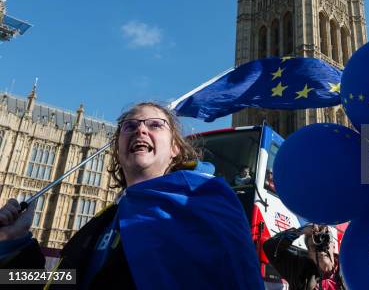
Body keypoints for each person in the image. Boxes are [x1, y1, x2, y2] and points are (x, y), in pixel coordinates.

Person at [0, 102, 263, 289]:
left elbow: (240, 278)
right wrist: (15, 243)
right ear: (117, 148)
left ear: (174, 148)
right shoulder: (101, 223)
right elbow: (63, 280)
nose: (140, 130)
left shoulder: (204, 198)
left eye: (155, 125)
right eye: (130, 126)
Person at [263, 224, 344, 290]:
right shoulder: (300, 269)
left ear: (333, 247)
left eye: (325, 243)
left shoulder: (347, 268)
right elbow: (269, 247)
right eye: (314, 246)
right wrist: (299, 231)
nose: (320, 250)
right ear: (309, 253)